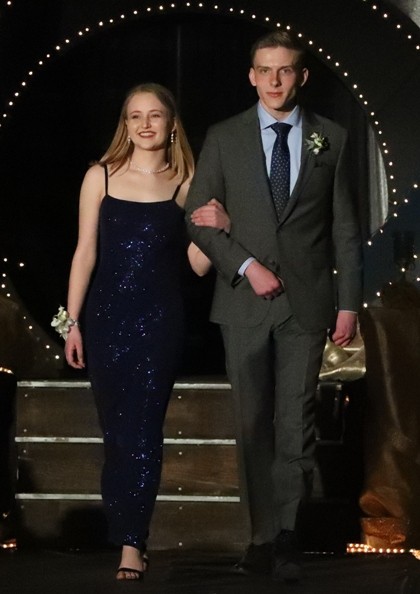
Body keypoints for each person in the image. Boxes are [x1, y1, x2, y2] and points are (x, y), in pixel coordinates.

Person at [186, 30, 363, 582]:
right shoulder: (225, 136)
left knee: (297, 422)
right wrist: (246, 264)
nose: (274, 80)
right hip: (243, 301)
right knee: (251, 422)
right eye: (264, 70)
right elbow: (198, 217)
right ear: (251, 75)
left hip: (307, 303)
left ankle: (288, 533)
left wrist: (349, 304)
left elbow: (344, 227)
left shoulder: (331, 137)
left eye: (284, 70)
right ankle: (260, 537)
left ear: (301, 76)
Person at [63, 83, 227, 581]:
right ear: (126, 124)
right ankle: (124, 529)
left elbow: (197, 265)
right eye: (135, 116)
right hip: (104, 320)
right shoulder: (100, 176)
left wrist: (221, 226)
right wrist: (70, 323)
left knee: (143, 431)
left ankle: (132, 542)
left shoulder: (186, 182)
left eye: (155, 115)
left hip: (160, 323)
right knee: (116, 433)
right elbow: (84, 253)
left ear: (171, 123)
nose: (145, 124)